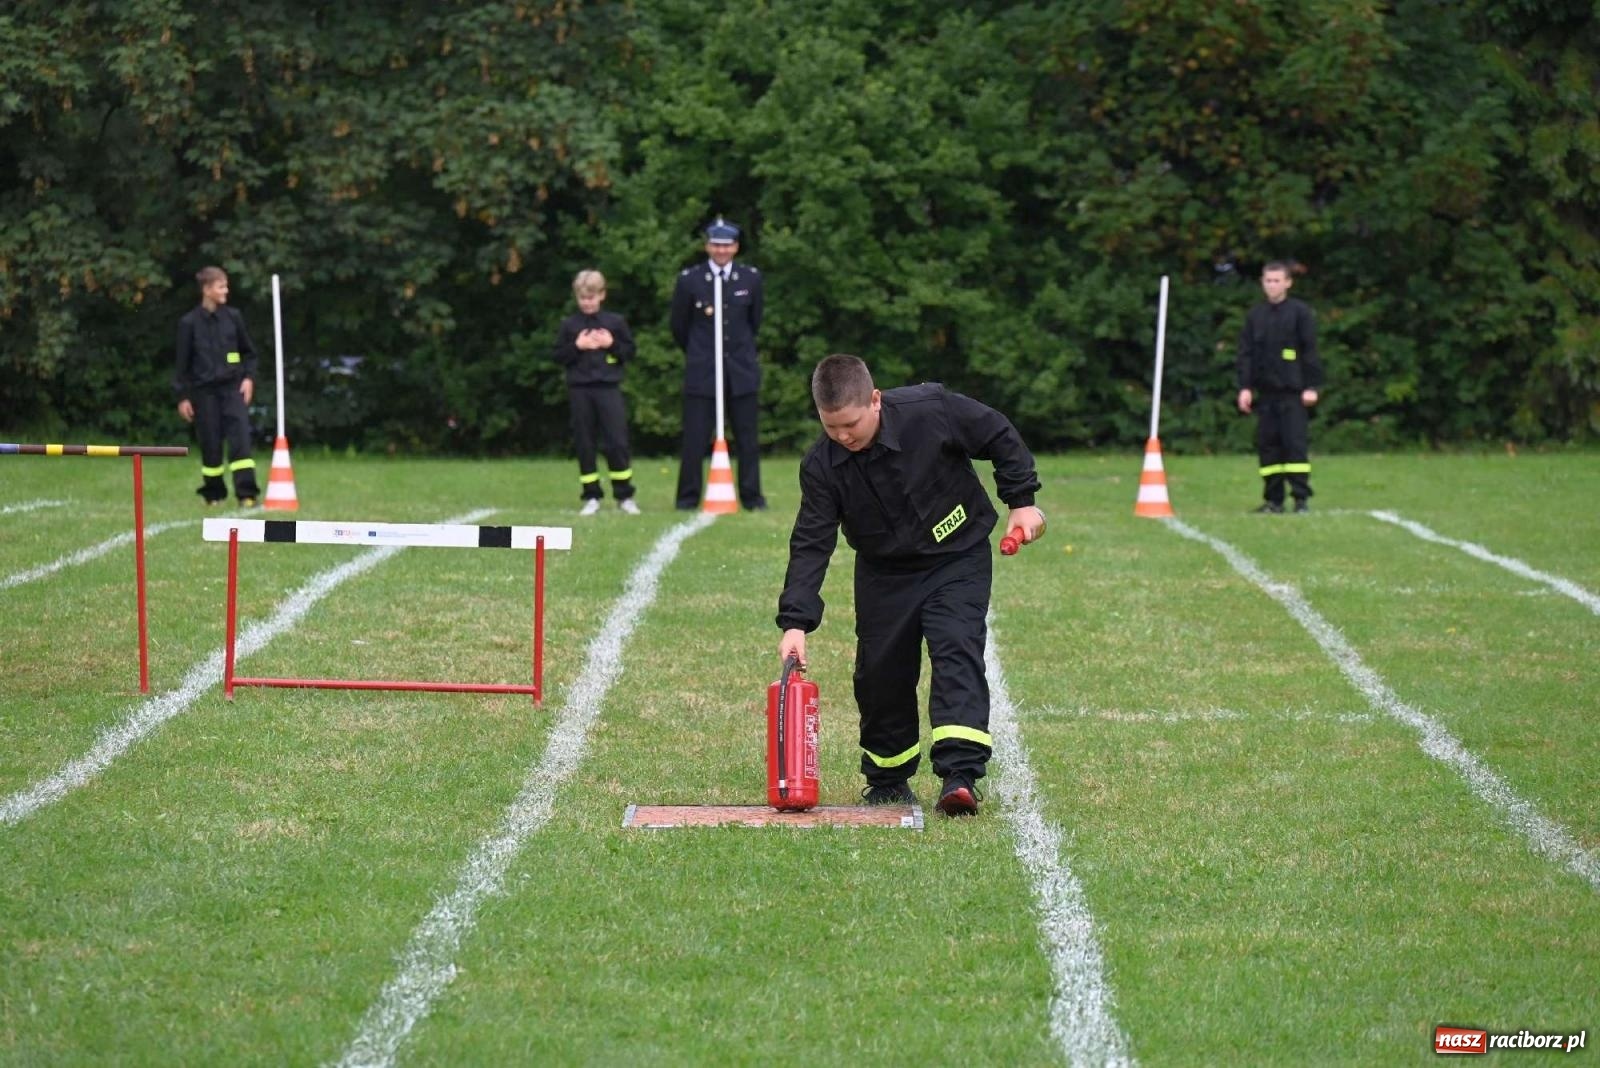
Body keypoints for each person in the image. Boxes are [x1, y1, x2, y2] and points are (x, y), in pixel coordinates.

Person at [776, 355, 1045, 817]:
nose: (843, 437)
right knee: (881, 673)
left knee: (955, 646)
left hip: (957, 557)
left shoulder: (931, 410)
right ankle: (887, 779)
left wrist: (1021, 501)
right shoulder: (821, 466)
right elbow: (811, 541)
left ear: (875, 400)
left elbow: (998, 433)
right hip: (885, 572)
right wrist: (796, 622)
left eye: (851, 425)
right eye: (831, 426)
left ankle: (959, 778)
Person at [670, 216, 766, 510]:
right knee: (695, 439)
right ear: (707, 246)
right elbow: (679, 326)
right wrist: (701, 352)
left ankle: (752, 497)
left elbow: (755, 322)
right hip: (703, 371)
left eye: (727, 245)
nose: (721, 250)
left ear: (736, 247)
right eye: (716, 245)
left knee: (747, 439)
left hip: (740, 371)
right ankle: (687, 499)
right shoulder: (690, 280)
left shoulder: (750, 278)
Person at [1236, 260, 1323, 513]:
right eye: (1268, 281)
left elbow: (1310, 351)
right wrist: (1245, 387)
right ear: (1262, 283)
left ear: (1288, 283)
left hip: (1293, 393)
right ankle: (1273, 500)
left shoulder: (1300, 313)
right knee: (1268, 447)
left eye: (1277, 281)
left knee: (1294, 445)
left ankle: (1300, 499)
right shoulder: (1255, 316)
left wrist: (1312, 386)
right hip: (1266, 394)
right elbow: (1246, 353)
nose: (1272, 286)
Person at [553, 269, 639, 515]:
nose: (587, 302)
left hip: (608, 389)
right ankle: (591, 495)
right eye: (582, 298)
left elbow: (630, 353)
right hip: (580, 390)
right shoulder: (569, 326)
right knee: (585, 443)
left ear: (602, 295)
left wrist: (611, 344)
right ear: (577, 297)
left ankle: (624, 496)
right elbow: (558, 356)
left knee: (617, 442)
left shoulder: (615, 323)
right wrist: (577, 346)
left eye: (591, 297)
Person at [174, 266, 260, 507]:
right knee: (210, 445)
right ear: (207, 289)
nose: (226, 291)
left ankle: (247, 494)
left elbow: (250, 354)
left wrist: (248, 379)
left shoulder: (233, 317)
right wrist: (183, 397)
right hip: (204, 393)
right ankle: (214, 495)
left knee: (241, 441)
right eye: (221, 286)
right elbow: (182, 365)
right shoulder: (188, 323)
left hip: (233, 390)